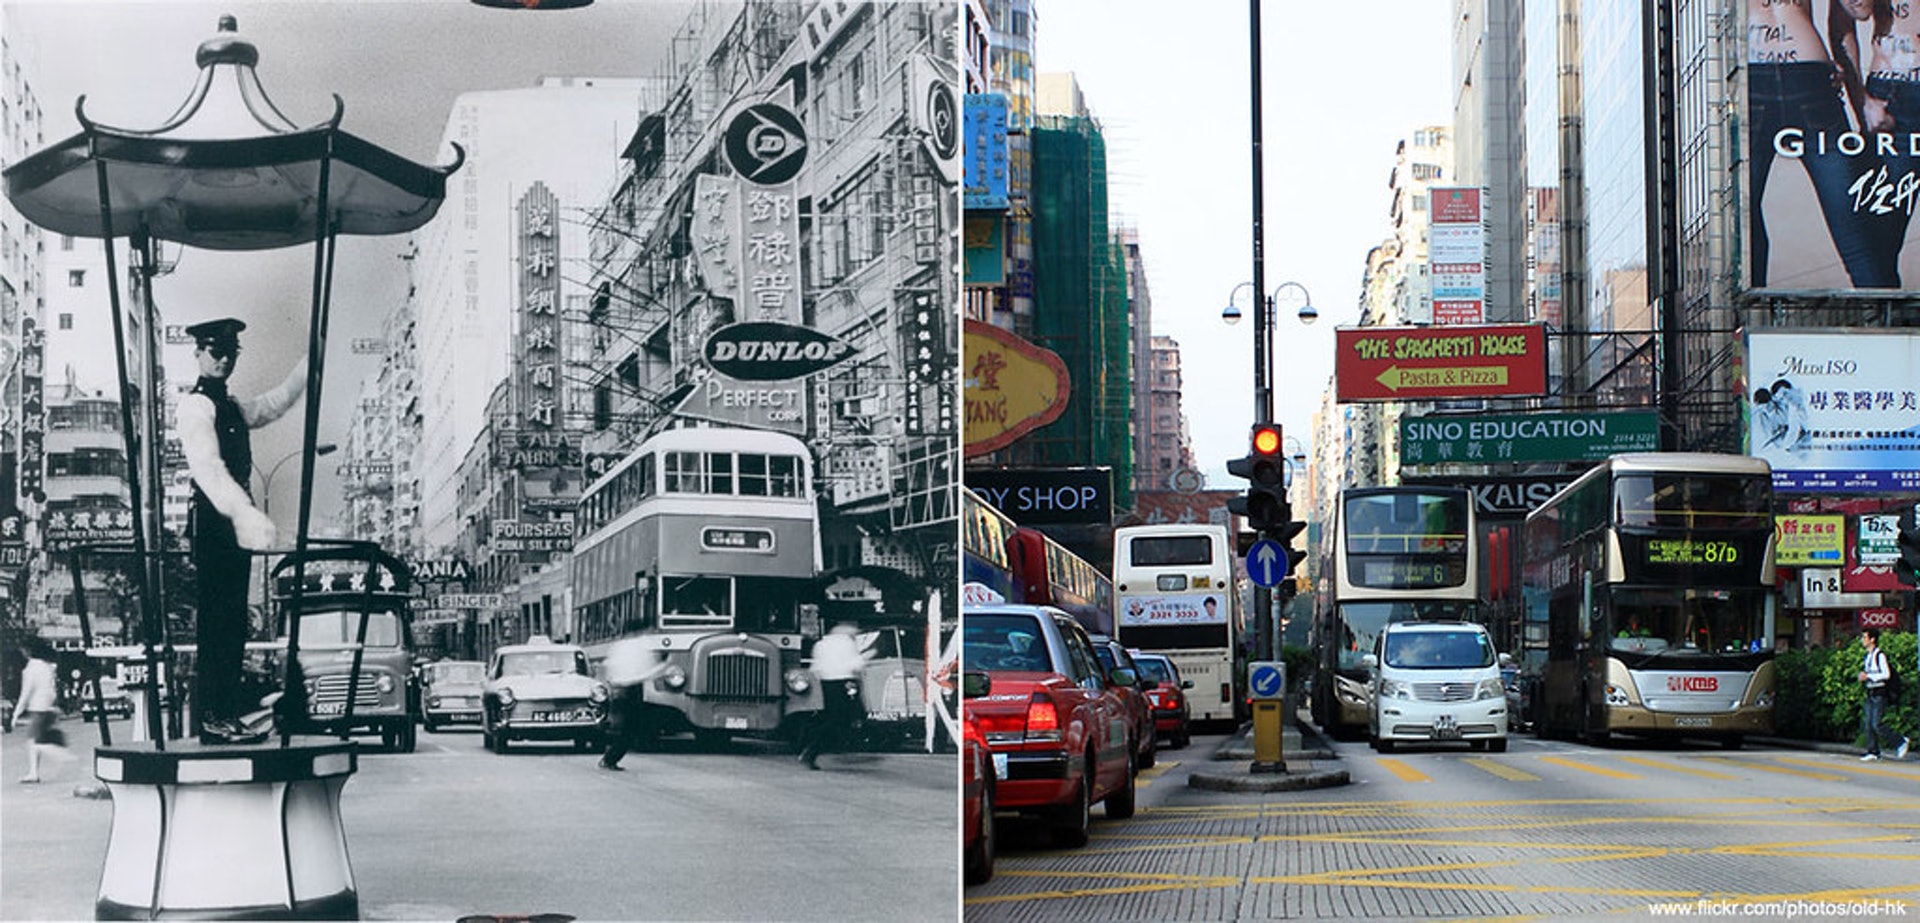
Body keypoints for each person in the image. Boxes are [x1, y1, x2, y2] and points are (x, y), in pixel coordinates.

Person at [177, 317, 307, 745]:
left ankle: (225, 714)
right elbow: (208, 468)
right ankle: (214, 717)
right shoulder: (197, 407)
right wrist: (244, 513)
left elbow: (270, 405)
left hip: (233, 528)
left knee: (232, 623)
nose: (223, 360)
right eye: (215, 351)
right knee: (217, 624)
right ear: (198, 353)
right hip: (217, 525)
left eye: (231, 352)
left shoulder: (229, 406)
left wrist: (307, 371)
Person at [1747, 0, 1900, 288]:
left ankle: (1742, 326)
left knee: (1743, 222)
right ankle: (1884, 325)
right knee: (1855, 228)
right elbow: (1859, 10)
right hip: (1806, 74)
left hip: (1763, 75)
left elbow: (1860, 11)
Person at [799, 623, 869, 770]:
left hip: (827, 683)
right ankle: (814, 750)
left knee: (832, 717)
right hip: (845, 682)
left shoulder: (821, 644)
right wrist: (867, 657)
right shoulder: (847, 643)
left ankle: (812, 749)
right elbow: (855, 664)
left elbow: (816, 667)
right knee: (848, 716)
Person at [598, 636, 666, 771]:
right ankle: (609, 759)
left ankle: (609, 759)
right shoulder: (638, 649)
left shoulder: (620, 647)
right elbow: (637, 676)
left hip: (623, 693)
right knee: (628, 731)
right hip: (627, 693)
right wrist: (659, 669)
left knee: (626, 730)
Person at [12, 637, 71, 783]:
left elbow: (26, 693)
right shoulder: (47, 667)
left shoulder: (30, 669)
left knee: (33, 741)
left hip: (37, 707)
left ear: (28, 651)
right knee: (38, 740)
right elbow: (53, 689)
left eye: (23, 649)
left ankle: (36, 771)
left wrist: (16, 713)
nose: (22, 652)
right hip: (48, 706)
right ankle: (36, 770)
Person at [1856, 627, 1909, 761]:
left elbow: (1886, 674)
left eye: (1865, 637)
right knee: (1868, 724)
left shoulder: (1880, 655)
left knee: (1877, 724)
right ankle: (1873, 751)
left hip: (1880, 692)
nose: (1862, 640)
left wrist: (1868, 676)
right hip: (1870, 691)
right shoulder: (1868, 656)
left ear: (1872, 639)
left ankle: (1900, 741)